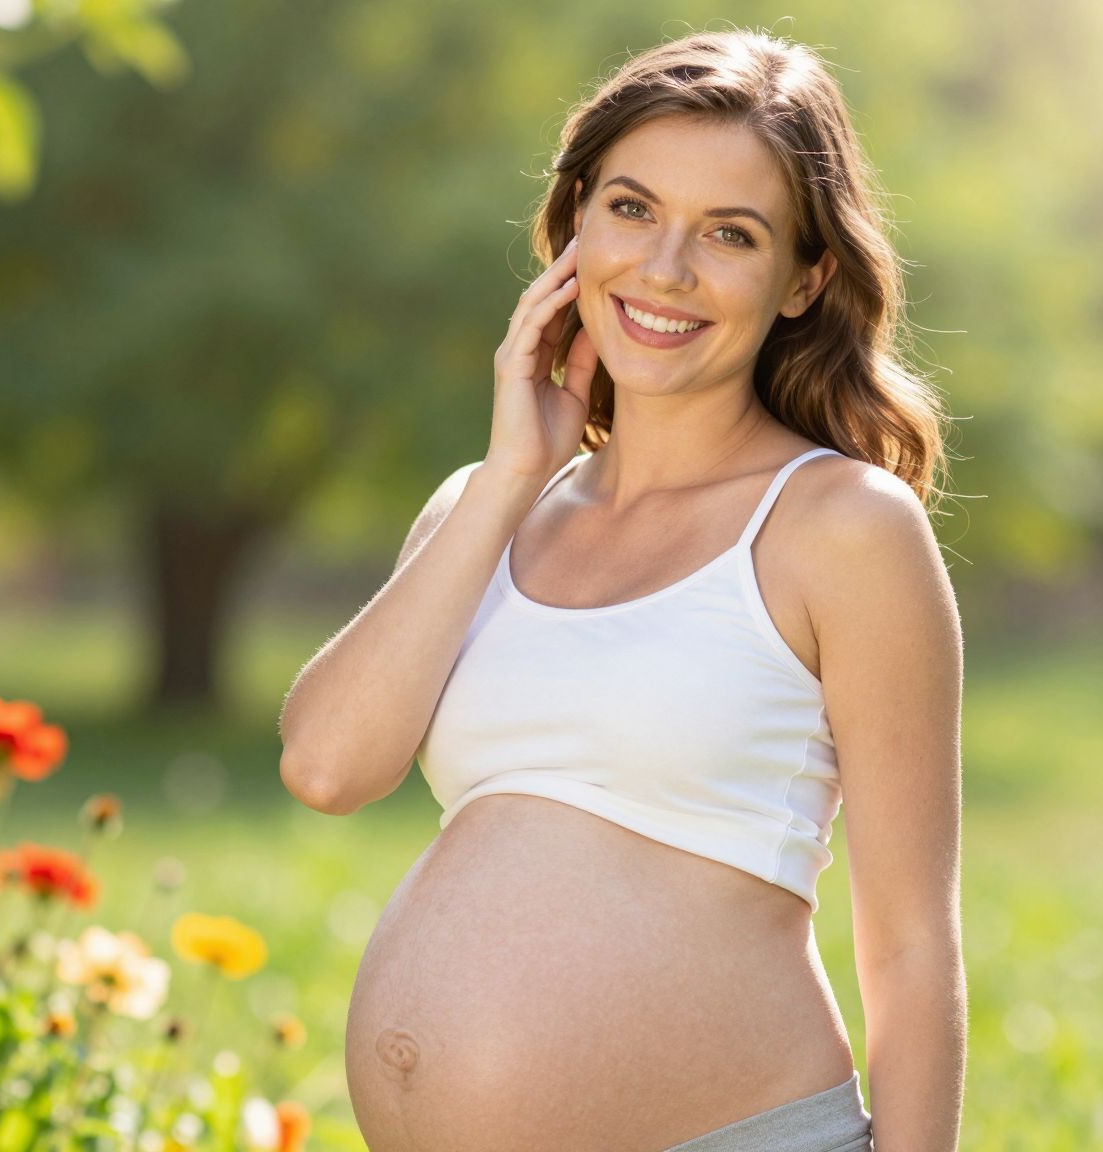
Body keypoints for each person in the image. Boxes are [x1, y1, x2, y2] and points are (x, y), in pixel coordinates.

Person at [279, 27, 964, 1152]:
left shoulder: (840, 529)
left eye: (729, 235)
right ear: (574, 223)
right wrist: (509, 477)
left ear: (804, 279)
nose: (664, 270)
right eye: (632, 209)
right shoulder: (481, 508)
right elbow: (324, 766)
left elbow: (906, 944)